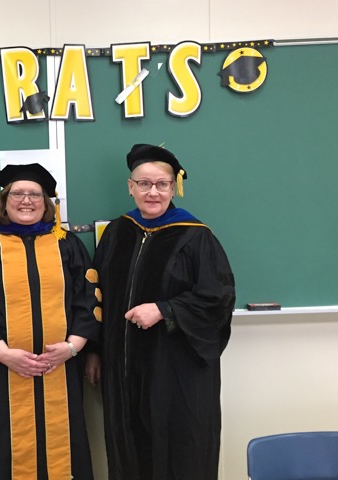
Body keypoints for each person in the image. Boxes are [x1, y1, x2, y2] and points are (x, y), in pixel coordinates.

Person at [87, 144, 235, 480]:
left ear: (173, 187)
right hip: (122, 370)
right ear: (130, 187)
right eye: (144, 184)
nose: (153, 192)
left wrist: (165, 310)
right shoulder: (117, 233)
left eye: (162, 184)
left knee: (178, 448)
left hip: (175, 370)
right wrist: (94, 350)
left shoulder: (196, 237)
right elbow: (96, 296)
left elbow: (218, 298)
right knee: (128, 450)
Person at [0, 163, 102, 480]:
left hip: (61, 366)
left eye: (35, 194)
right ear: (5, 202)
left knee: (65, 446)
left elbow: (88, 299)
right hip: (1, 369)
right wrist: (4, 354)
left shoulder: (67, 244)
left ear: (46, 202)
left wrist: (72, 348)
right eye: (17, 194)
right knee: (7, 447)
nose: (26, 200)